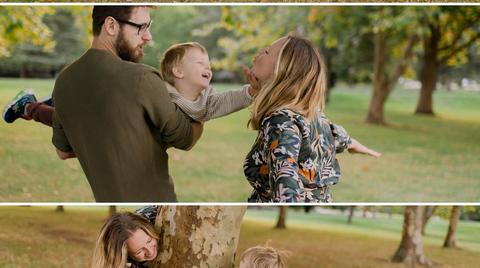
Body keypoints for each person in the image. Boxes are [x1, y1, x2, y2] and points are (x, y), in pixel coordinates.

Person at [4, 6, 203, 202]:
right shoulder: (142, 77)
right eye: (141, 27)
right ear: (111, 25)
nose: (148, 36)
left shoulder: (64, 78)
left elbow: (63, 152)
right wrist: (201, 104)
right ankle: (30, 106)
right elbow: (185, 139)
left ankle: (29, 106)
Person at [243, 32, 381, 203]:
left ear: (281, 70)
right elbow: (336, 135)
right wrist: (357, 146)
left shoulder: (280, 123)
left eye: (267, 52)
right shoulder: (311, 114)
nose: (260, 49)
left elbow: (285, 184)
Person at [3, 42, 257, 126]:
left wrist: (253, 90)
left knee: (70, 122)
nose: (208, 67)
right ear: (177, 72)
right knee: (71, 124)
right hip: (108, 112)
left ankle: (50, 102)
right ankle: (28, 106)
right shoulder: (159, 89)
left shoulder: (206, 102)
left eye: (208, 63)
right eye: (200, 62)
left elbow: (229, 100)